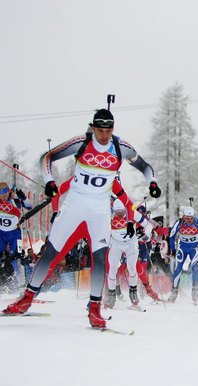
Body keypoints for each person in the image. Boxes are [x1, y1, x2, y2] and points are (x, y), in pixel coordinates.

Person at [3, 108, 160, 328]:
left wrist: (152, 183)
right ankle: (26, 299)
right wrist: (49, 181)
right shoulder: (82, 142)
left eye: (107, 130)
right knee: (50, 252)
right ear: (93, 128)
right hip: (74, 206)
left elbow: (145, 167)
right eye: (99, 130)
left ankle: (95, 309)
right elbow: (47, 157)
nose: (103, 135)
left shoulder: (121, 148)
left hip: (98, 210)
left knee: (99, 258)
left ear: (112, 129)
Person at [105, 199, 154, 309]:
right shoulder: (108, 215)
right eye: (117, 212)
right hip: (116, 244)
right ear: (113, 210)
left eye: (122, 211)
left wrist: (146, 235)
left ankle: (133, 293)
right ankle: (111, 294)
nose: (120, 214)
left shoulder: (132, 213)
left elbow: (149, 225)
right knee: (112, 269)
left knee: (132, 267)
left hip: (130, 244)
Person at [167, 207, 198, 304]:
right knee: (178, 269)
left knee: (195, 268)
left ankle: (195, 291)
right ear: (183, 217)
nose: (189, 220)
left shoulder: (197, 222)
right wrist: (172, 249)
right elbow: (171, 236)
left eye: (191, 218)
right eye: (187, 218)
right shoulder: (179, 223)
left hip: (194, 249)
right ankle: (174, 292)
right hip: (182, 248)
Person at [0, 182, 31, 289]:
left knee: (15, 260)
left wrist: (22, 196)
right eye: (1, 196)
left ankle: (21, 286)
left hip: (14, 234)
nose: (3, 198)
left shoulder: (15, 200)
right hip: (1, 234)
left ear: (8, 192)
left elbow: (29, 206)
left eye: (4, 195)